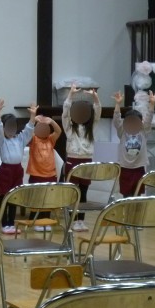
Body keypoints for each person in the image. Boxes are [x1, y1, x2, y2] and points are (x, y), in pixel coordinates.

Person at [0, 99, 37, 234]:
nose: (11, 129)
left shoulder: (19, 139)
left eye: (13, 125)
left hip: (17, 170)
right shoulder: (0, 141)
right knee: (4, 198)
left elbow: (29, 130)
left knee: (14, 198)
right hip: (6, 170)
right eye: (8, 126)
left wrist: (33, 116)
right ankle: (3, 223)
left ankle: (11, 223)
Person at [62, 83, 101, 232]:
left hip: (86, 161)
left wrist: (95, 98)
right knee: (73, 193)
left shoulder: (91, 127)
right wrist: (70, 95)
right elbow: (65, 112)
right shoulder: (69, 127)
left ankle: (81, 221)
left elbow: (98, 111)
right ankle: (72, 220)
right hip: (72, 161)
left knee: (83, 193)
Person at [113, 90, 155, 197]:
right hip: (125, 168)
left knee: (137, 195)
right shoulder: (122, 130)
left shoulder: (143, 130)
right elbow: (116, 119)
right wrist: (118, 104)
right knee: (126, 196)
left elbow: (149, 118)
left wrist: (152, 104)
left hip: (139, 168)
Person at [26, 112, 62, 231]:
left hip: (50, 174)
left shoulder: (51, 139)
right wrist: (34, 120)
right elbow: (27, 133)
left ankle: (45, 221)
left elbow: (58, 131)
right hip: (36, 174)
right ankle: (35, 221)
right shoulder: (33, 139)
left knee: (47, 200)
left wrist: (51, 121)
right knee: (36, 199)